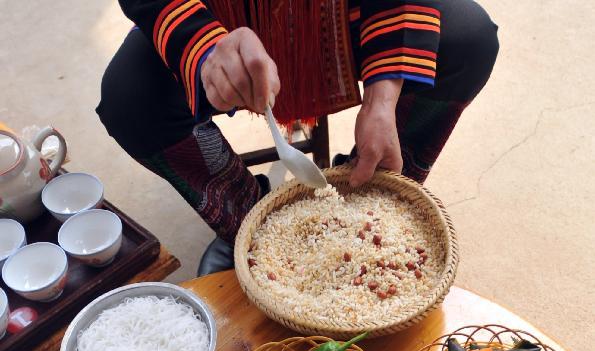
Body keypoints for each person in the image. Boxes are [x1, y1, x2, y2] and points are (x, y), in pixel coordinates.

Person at [98, 1, 498, 274]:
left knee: (469, 40)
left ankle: (373, 193)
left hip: (340, 9)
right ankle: (248, 220)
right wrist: (203, 45)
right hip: (213, 13)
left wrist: (383, 96)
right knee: (129, 100)